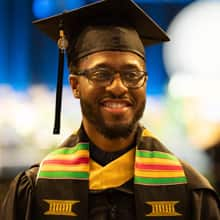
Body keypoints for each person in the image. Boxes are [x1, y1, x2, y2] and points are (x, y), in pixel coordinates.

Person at [1, 0, 220, 219]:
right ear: (76, 86)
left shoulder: (189, 191)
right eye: (101, 73)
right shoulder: (35, 190)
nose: (118, 87)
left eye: (132, 75)